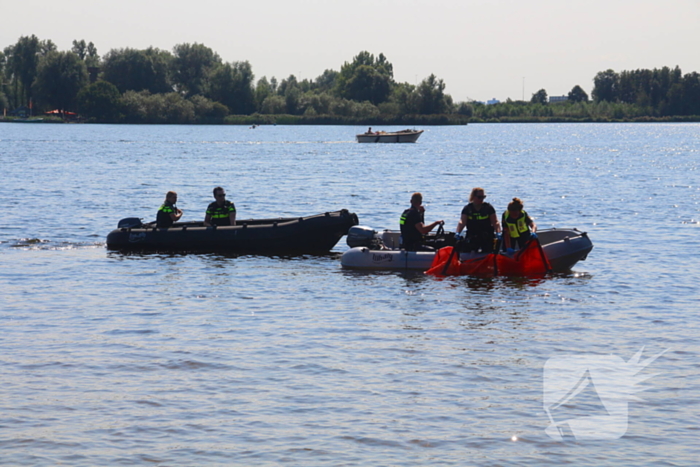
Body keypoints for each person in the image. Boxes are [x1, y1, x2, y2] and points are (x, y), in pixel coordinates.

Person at [455, 187, 501, 253]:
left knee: (489, 249)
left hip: (486, 235)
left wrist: (498, 232)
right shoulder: (467, 209)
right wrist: (458, 232)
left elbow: (495, 222)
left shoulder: (488, 208)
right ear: (473, 197)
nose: (481, 199)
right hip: (472, 235)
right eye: (479, 197)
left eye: (483, 197)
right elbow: (462, 222)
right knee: (465, 249)